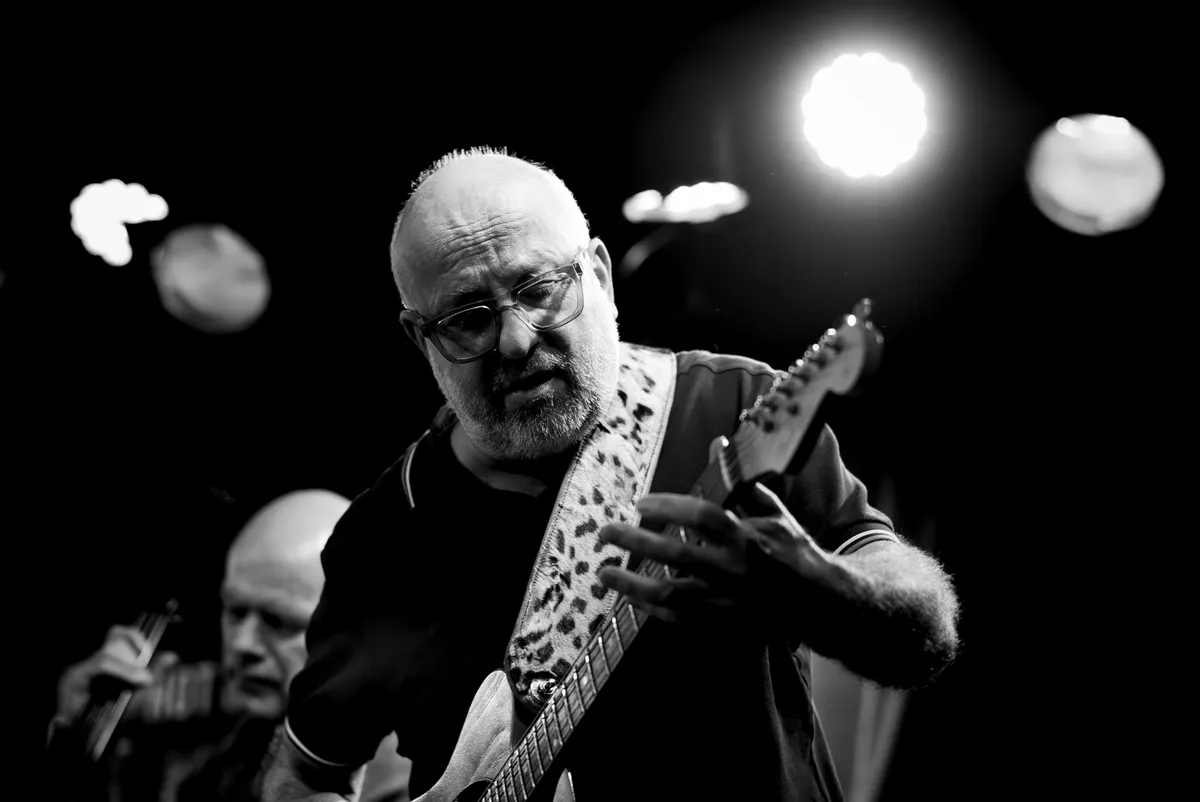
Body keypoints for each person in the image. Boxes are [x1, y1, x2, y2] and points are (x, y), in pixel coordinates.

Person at [261, 149, 960, 802]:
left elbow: (924, 639)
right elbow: (303, 771)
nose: (516, 340)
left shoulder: (729, 408)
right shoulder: (386, 533)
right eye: (469, 318)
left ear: (599, 274)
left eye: (539, 288)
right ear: (422, 338)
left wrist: (818, 591)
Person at [49, 490, 411, 802]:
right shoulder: (224, 735)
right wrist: (78, 728)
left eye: (278, 622)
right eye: (235, 611)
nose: (241, 644)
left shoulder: (398, 782)